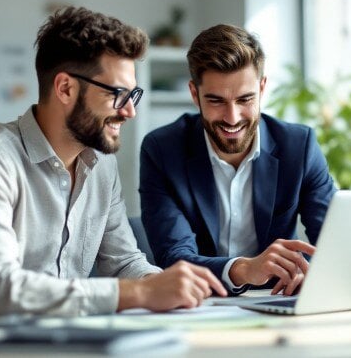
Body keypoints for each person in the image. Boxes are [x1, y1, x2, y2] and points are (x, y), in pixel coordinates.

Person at [0, 7, 226, 328]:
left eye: (133, 95)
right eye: (118, 94)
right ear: (65, 88)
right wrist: (137, 292)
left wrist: (172, 286)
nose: (129, 112)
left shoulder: (101, 166)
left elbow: (123, 261)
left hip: (64, 342)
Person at [139, 24, 336, 296]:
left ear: (262, 87)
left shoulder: (298, 146)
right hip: (202, 304)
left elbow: (334, 242)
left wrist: (311, 271)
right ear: (194, 94)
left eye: (245, 99)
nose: (232, 118)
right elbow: (174, 256)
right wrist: (243, 269)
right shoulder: (162, 149)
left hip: (279, 298)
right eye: (216, 101)